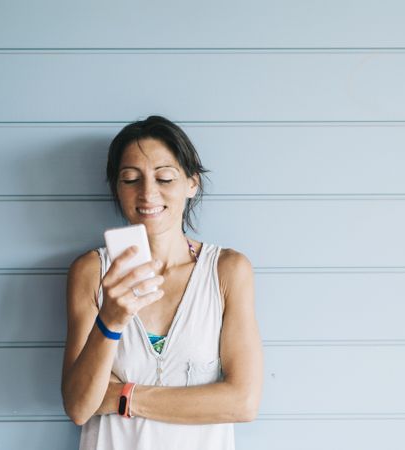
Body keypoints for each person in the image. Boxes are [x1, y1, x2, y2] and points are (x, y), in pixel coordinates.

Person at [61, 115, 263, 450]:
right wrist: (110, 320)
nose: (148, 193)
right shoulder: (91, 272)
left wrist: (123, 395)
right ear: (116, 188)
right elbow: (80, 406)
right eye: (130, 179)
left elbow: (242, 402)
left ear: (191, 183)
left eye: (165, 178)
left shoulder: (228, 270)